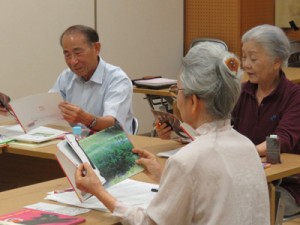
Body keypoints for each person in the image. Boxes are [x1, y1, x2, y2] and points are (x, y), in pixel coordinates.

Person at [75, 42, 270, 225]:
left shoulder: (188, 159)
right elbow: (209, 193)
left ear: (193, 102)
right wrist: (163, 175)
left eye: (177, 91)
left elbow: (150, 223)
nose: (177, 100)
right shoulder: (246, 146)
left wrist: (100, 192)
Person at [232, 24, 300, 217]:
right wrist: (179, 133)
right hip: (242, 178)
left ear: (276, 62)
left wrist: (245, 153)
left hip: (284, 185)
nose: (246, 64)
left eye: (253, 58)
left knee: (234, 205)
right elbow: (217, 125)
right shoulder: (241, 92)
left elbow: (281, 139)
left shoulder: (294, 97)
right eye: (244, 57)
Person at [49, 25, 134, 133]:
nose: (73, 61)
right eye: (67, 55)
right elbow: (49, 109)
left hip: (111, 143)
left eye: (77, 53)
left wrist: (85, 119)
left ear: (96, 48)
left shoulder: (117, 79)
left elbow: (111, 124)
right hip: (75, 141)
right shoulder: (66, 77)